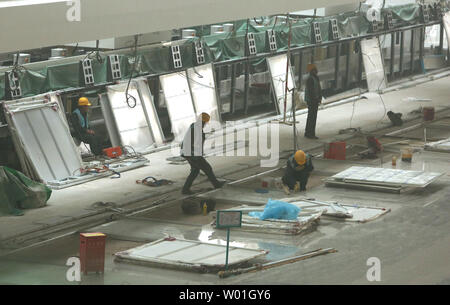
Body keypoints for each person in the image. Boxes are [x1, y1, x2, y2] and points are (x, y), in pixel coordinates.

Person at [180, 112, 225, 195]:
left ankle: (185, 190)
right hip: (192, 153)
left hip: (186, 152)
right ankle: (217, 184)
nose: (205, 124)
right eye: (205, 123)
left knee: (195, 171)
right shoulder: (198, 129)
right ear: (203, 122)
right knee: (207, 168)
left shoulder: (193, 125)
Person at [304, 63, 322, 140]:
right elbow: (311, 91)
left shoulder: (315, 78)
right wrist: (315, 99)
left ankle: (308, 133)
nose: (316, 71)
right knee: (312, 117)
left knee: (312, 117)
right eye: (314, 69)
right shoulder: (310, 79)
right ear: (312, 71)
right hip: (312, 101)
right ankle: (310, 133)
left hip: (314, 100)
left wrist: (319, 98)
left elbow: (318, 88)